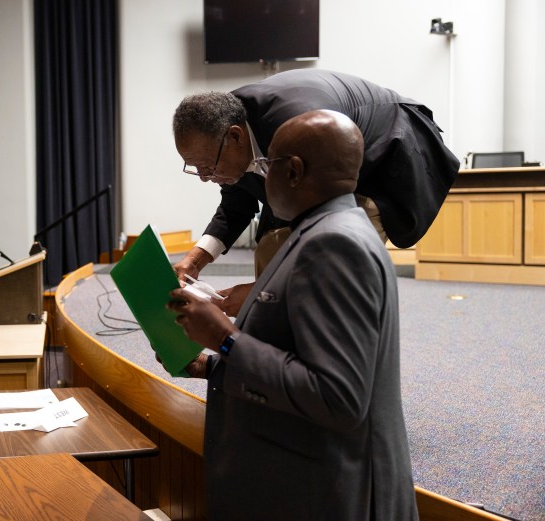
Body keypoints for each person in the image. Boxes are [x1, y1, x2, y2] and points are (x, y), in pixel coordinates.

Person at [166, 110, 418, 520]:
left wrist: (226, 338)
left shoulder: (335, 245)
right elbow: (297, 355)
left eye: (267, 165)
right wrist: (212, 365)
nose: (261, 176)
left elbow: (339, 397)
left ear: (294, 172)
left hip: (332, 496)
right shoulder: (320, 230)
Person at [172, 68, 460, 314]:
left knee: (337, 267)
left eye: (208, 167)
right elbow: (237, 205)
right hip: (315, 168)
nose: (206, 178)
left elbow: (324, 231)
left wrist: (259, 292)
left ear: (235, 136)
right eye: (196, 168)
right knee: (271, 247)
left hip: (382, 154)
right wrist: (194, 261)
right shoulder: (221, 126)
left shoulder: (299, 127)